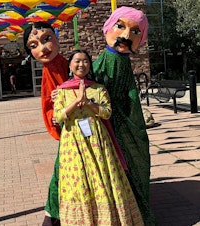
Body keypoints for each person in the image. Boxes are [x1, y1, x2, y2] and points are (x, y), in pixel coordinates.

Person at [54, 49, 143, 225]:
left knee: (102, 178)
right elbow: (57, 117)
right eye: (77, 61)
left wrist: (88, 103)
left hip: (97, 141)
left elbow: (107, 113)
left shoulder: (98, 88)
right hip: (72, 144)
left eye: (85, 61)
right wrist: (76, 101)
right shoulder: (62, 91)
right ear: (70, 65)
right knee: (77, 181)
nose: (81, 65)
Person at [93, 6, 155, 225]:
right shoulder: (101, 64)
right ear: (108, 27)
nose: (126, 36)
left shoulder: (123, 62)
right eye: (120, 27)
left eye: (136, 31)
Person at [23, 21, 69, 226]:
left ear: (57, 38)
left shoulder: (68, 63)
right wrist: (53, 113)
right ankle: (53, 214)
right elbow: (47, 102)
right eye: (34, 45)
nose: (42, 48)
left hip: (81, 124)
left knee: (63, 169)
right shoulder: (48, 70)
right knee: (62, 169)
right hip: (67, 126)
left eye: (47, 39)